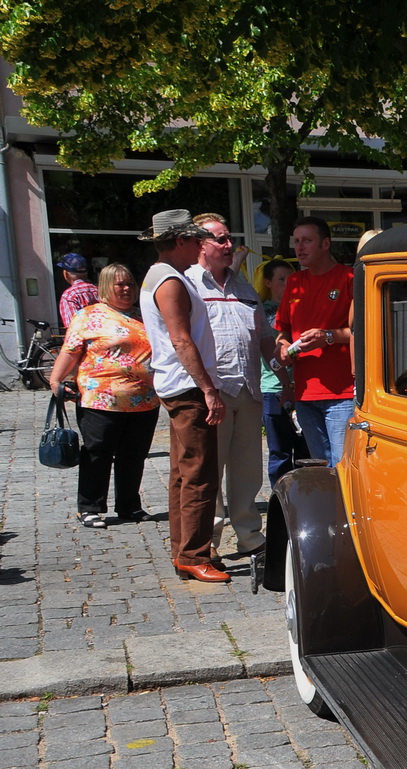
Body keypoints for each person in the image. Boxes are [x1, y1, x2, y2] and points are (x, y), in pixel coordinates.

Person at [140, 209, 229, 583]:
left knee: (182, 473)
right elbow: (180, 339)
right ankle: (194, 554)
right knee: (199, 474)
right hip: (187, 387)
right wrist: (208, 389)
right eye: (195, 239)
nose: (200, 244)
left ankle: (186, 551)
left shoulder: (160, 275)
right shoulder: (170, 280)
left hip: (177, 385)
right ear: (179, 241)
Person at [46, 264, 158, 527]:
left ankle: (129, 506)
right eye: (120, 284)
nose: (127, 289)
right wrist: (56, 380)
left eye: (130, 283)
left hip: (143, 399)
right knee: (98, 453)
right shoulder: (89, 316)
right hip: (101, 399)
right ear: (106, 287)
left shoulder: (144, 317)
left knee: (134, 455)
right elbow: (70, 350)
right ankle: (90, 507)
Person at [190, 212, 267, 557]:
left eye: (228, 237)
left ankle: (250, 537)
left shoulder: (244, 287)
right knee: (209, 472)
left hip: (248, 391)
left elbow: (264, 336)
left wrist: (282, 365)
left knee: (247, 471)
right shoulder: (187, 285)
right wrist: (203, 391)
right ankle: (209, 542)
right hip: (211, 394)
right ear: (199, 245)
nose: (228, 245)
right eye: (219, 239)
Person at [274, 216, 355, 464]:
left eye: (307, 241)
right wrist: (283, 346)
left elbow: (365, 332)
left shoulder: (349, 279)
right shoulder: (295, 283)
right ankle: (330, 505)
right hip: (305, 392)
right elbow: (282, 330)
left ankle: (346, 505)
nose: (299, 247)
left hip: (342, 392)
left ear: (325, 243)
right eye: (297, 241)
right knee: (320, 466)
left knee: (342, 466)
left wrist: (328, 337)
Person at [258, 259, 307, 483]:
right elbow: (273, 350)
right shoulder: (265, 311)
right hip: (274, 388)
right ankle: (281, 498)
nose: (288, 284)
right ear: (268, 282)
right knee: (280, 451)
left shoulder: (302, 308)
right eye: (281, 279)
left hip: (304, 388)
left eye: (291, 279)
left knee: (305, 450)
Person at [56, 253, 99, 330]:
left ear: (65, 274)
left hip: (84, 339)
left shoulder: (69, 295)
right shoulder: (99, 290)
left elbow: (73, 327)